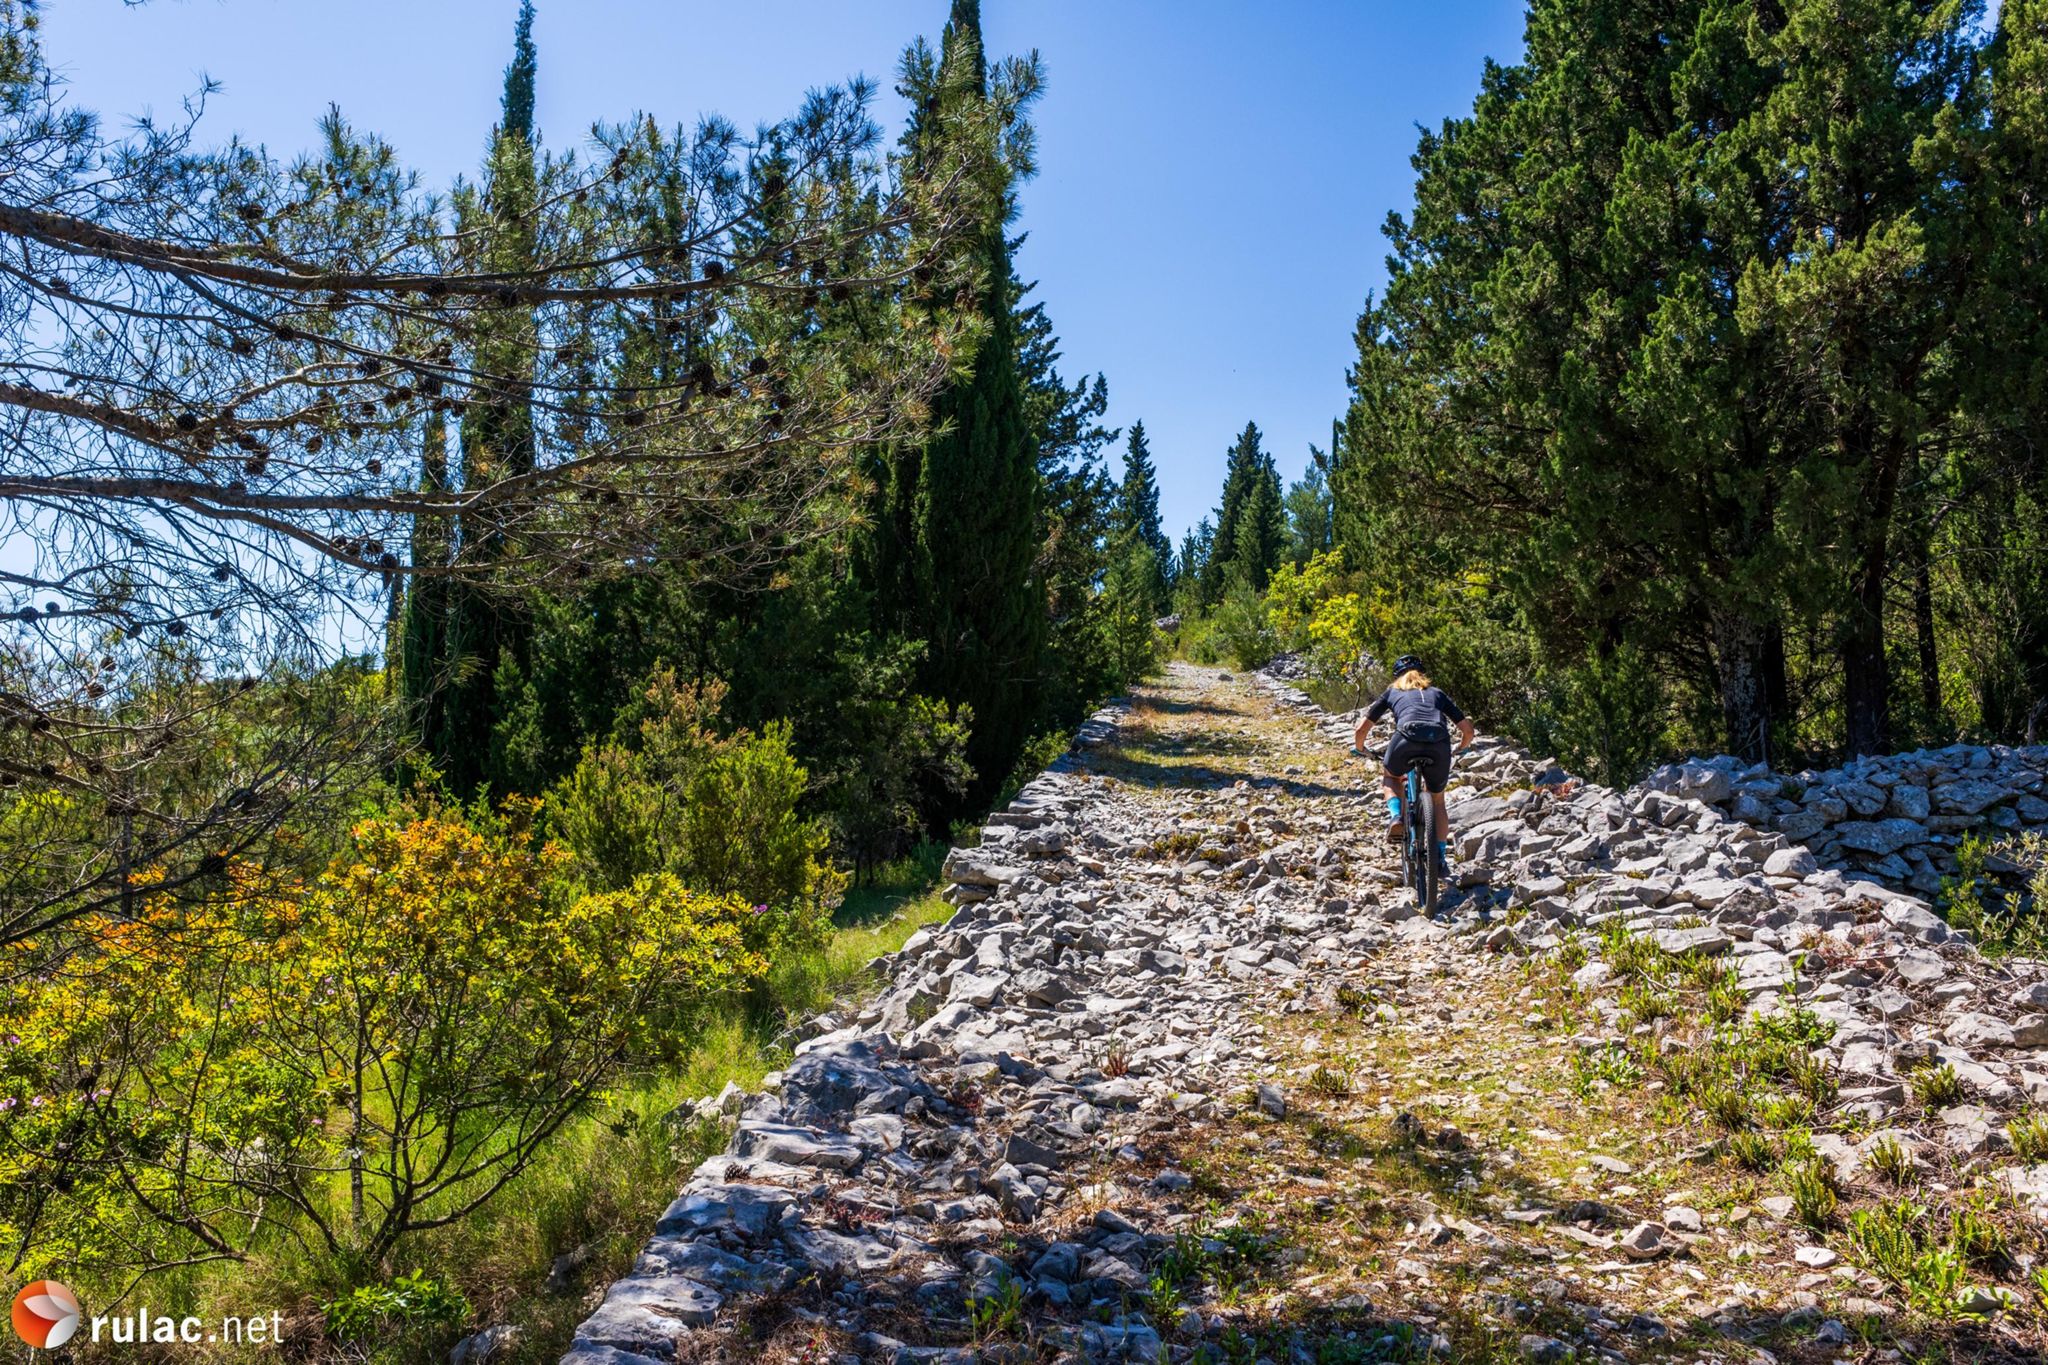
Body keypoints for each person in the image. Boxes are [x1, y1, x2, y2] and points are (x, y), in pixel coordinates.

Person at [1352, 654, 1475, 876]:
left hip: (1405, 740)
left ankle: (1396, 816)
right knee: (1438, 800)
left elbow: (1361, 729)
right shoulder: (1437, 693)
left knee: (1391, 777)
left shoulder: (1392, 692)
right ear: (1422, 674)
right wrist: (1461, 748)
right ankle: (1439, 857)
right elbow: (1467, 730)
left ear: (1396, 677)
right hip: (1438, 743)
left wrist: (1361, 748)